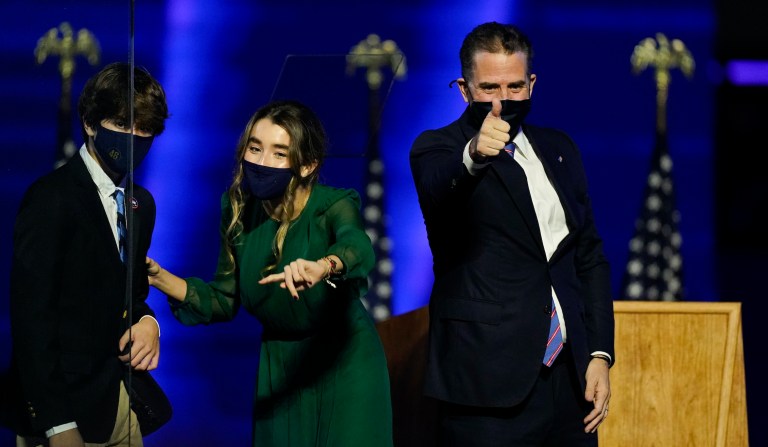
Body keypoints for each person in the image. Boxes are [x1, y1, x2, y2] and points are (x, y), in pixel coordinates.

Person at [409, 22, 614, 446]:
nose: (503, 100)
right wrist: (474, 155)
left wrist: (598, 354)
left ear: (532, 84)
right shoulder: (438, 148)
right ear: (464, 90)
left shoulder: (560, 148)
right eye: (489, 88)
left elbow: (588, 256)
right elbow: (436, 186)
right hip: (485, 383)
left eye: (515, 86)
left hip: (570, 385)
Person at [145, 100, 393, 446]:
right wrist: (159, 277)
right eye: (255, 148)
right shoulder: (236, 212)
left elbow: (358, 246)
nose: (262, 163)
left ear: (307, 165)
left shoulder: (332, 205)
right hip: (280, 367)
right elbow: (224, 299)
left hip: (344, 360)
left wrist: (324, 265)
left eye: (279, 153)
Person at [8, 62, 169, 446]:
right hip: (62, 412)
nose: (135, 138)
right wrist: (57, 424)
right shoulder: (50, 199)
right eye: (122, 124)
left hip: (118, 402)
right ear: (90, 123)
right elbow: (32, 320)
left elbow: (130, 293)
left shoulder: (139, 205)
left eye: (145, 129)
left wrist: (149, 323)